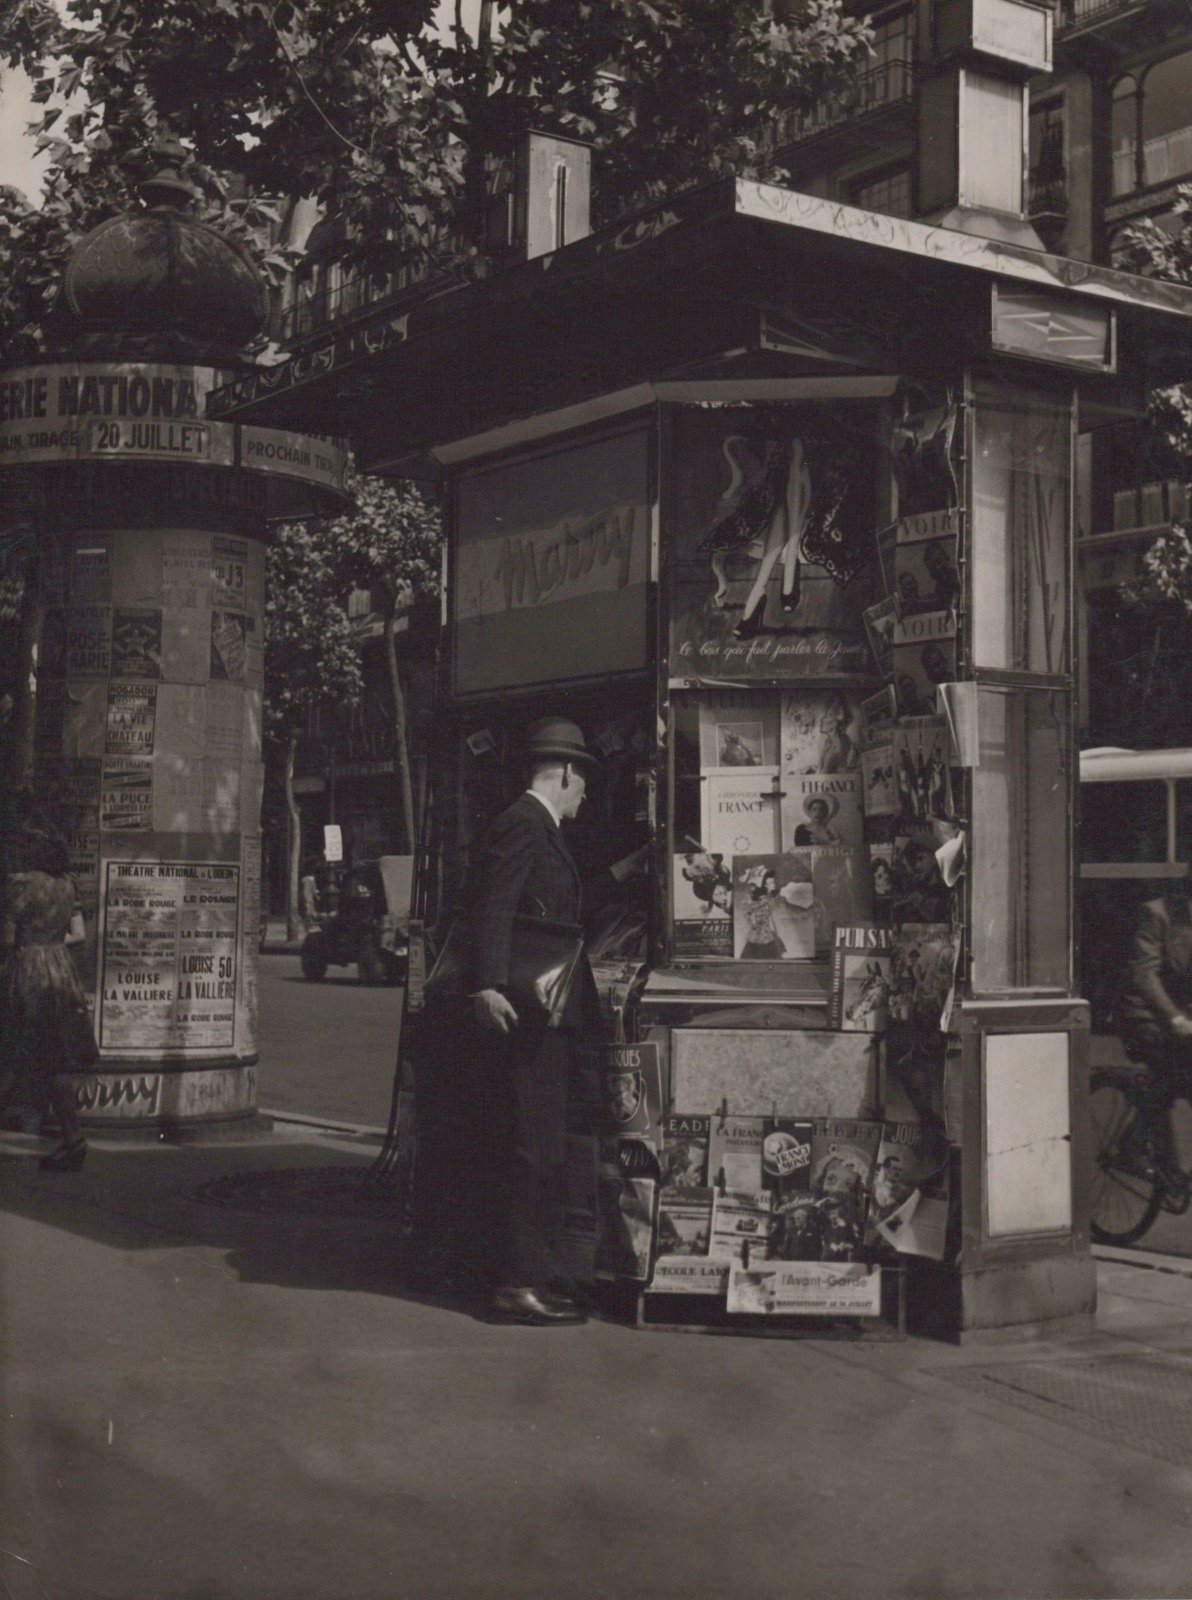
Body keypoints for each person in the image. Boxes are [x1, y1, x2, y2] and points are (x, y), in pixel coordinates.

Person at [421, 716, 646, 1326]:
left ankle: (531, 1276)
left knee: (541, 1146)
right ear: (567, 772)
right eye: (584, 782)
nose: (588, 795)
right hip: (526, 1014)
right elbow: (492, 904)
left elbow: (550, 909)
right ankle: (517, 1285)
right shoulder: (522, 825)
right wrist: (489, 984)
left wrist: (622, 875)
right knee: (532, 1149)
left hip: (541, 1013)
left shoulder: (538, 828)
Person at [1, 823, 98, 1170]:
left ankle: (72, 1139)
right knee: (53, 1058)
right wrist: (50, 942)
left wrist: (31, 943)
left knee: (15, 1051)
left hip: (26, 972)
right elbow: (78, 936)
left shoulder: (21, 885)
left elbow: (7, 938)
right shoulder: (66, 886)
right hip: (59, 972)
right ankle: (73, 1138)